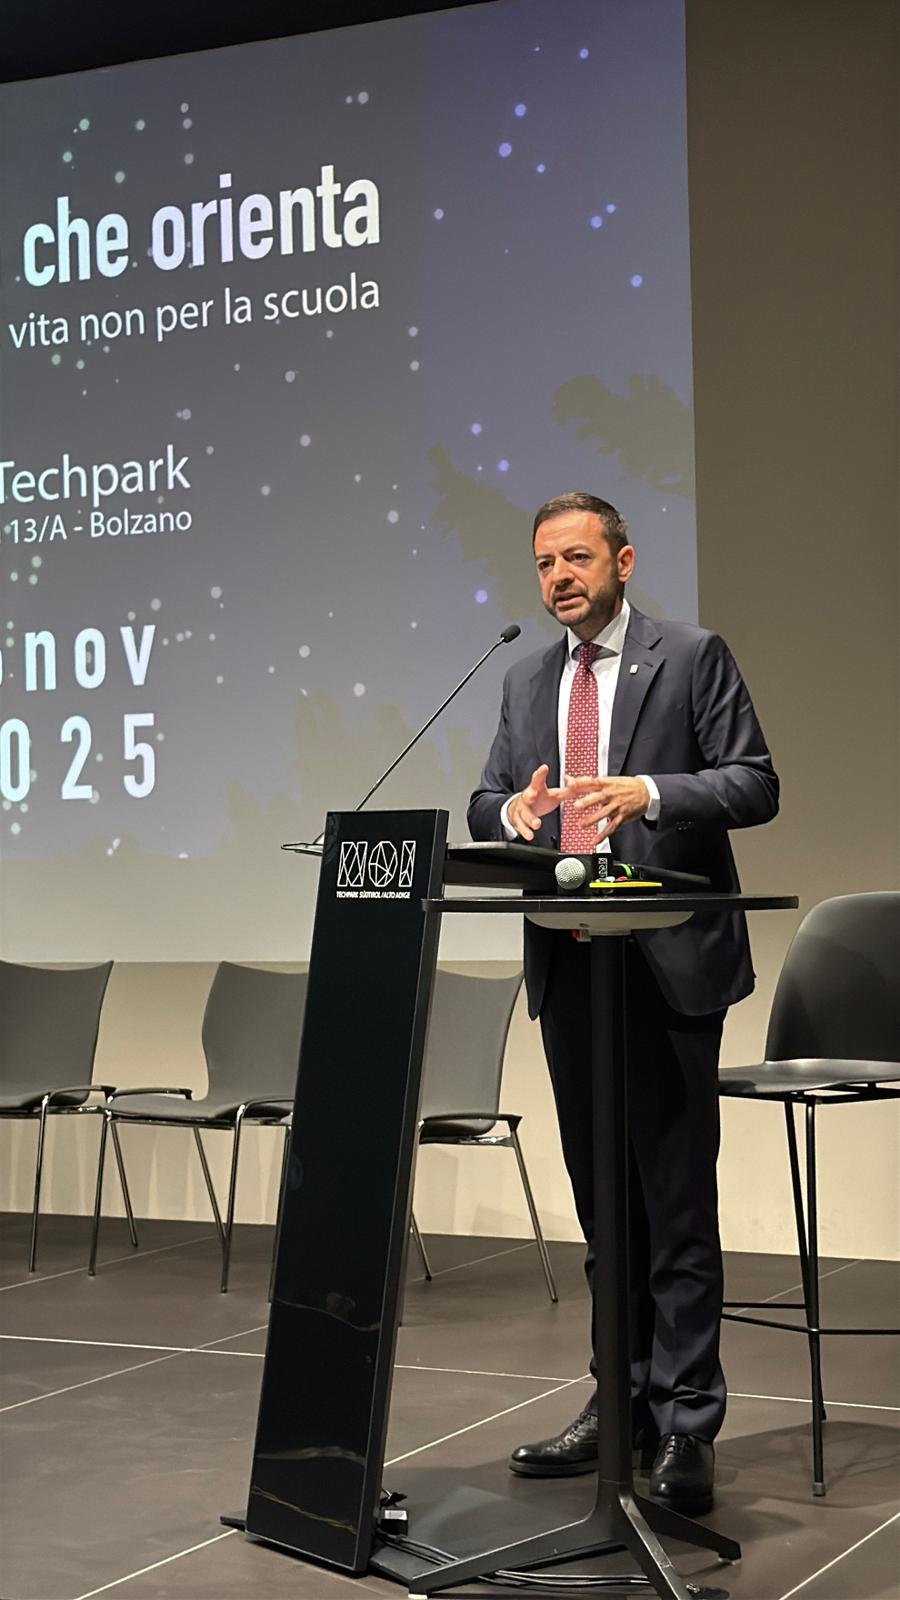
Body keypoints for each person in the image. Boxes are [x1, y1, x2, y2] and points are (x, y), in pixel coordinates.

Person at [467, 492, 779, 1514]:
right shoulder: (525, 679)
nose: (560, 577)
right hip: (572, 964)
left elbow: (754, 782)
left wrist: (652, 793)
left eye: (577, 557)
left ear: (623, 561)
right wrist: (510, 811)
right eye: (545, 563)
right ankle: (623, 1403)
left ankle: (687, 1420)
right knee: (604, 1206)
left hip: (667, 960)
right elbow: (487, 798)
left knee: (674, 1205)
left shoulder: (689, 656)